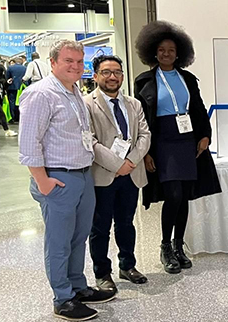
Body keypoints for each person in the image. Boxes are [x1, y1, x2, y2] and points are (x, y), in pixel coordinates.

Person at [19, 40, 116, 321]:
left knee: (78, 238)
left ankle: (77, 286)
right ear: (53, 63)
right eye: (68, 61)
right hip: (58, 178)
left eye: (79, 61)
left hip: (83, 176)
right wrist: (43, 181)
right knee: (59, 242)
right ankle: (62, 298)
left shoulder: (74, 91)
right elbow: (28, 144)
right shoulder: (41, 94)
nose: (75, 66)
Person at [134, 20, 221, 274]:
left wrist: (205, 135)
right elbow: (141, 119)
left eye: (171, 50)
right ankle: (164, 247)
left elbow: (198, 110)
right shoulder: (145, 81)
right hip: (162, 141)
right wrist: (146, 152)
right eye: (161, 50)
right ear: (153, 51)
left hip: (187, 141)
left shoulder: (188, 79)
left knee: (184, 196)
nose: (166, 54)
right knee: (172, 194)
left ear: (179, 53)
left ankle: (178, 245)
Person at [85, 55, 152, 292]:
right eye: (106, 72)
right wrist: (117, 165)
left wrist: (131, 162)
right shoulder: (86, 104)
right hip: (103, 176)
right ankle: (102, 273)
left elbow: (145, 136)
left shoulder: (134, 104)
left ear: (123, 76)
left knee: (126, 223)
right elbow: (90, 142)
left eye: (117, 72)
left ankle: (127, 265)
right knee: (100, 226)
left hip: (131, 174)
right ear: (95, 76)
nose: (112, 77)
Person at [0, 71, 17, 136]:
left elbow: (0, 84)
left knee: (1, 113)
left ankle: (7, 130)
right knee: (1, 113)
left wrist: (7, 83)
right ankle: (7, 131)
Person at [5, 56, 26, 123]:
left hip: (12, 87)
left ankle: (13, 118)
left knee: (12, 102)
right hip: (22, 87)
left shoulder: (10, 68)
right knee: (22, 102)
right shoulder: (25, 68)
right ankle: (20, 117)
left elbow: (7, 77)